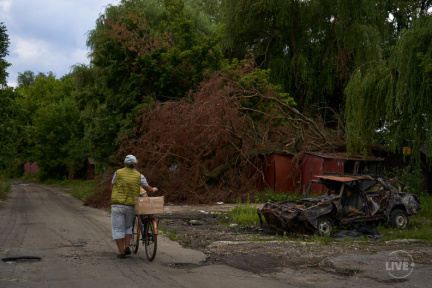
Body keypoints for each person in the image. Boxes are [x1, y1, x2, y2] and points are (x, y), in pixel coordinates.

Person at [110, 154, 158, 259]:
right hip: (131, 205)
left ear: (124, 163)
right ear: (135, 165)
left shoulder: (117, 173)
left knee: (118, 228)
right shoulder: (139, 175)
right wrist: (153, 189)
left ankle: (122, 253)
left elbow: (112, 187)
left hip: (117, 205)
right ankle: (127, 246)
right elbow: (148, 189)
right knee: (128, 226)